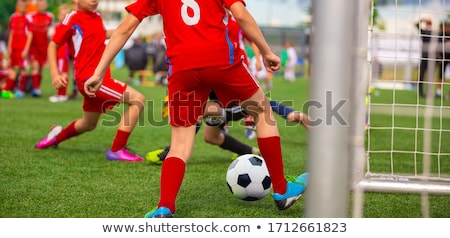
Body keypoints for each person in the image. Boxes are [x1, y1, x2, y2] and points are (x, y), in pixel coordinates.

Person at [84, 0, 309, 218]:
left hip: (182, 69)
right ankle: (281, 190)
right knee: (262, 112)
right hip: (222, 61)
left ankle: (165, 207)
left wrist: (99, 72)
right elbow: (240, 15)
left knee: (180, 144)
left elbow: (125, 29)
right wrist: (266, 51)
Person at [35, 0, 146, 163]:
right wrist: (55, 74)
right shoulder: (72, 18)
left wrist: (128, 28)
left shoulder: (96, 16)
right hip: (91, 80)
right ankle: (117, 149)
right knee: (138, 100)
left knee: (88, 124)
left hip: (96, 79)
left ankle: (55, 138)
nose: (94, 1)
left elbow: (102, 34)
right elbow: (53, 45)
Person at [146, 91, 310, 165]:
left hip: (231, 104)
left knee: (196, 109)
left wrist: (289, 113)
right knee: (211, 137)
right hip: (219, 106)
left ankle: (169, 152)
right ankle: (251, 152)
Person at [15, 0, 54, 98]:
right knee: (34, 67)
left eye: (43, 4)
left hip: (44, 46)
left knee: (40, 68)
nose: (41, 6)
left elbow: (50, 32)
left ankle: (36, 88)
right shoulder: (30, 16)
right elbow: (27, 31)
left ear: (46, 5)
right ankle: (33, 90)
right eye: (39, 4)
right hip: (33, 47)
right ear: (36, 5)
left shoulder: (50, 17)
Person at [1, 0, 32, 99]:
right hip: (14, 48)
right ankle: (6, 91)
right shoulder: (13, 17)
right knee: (12, 68)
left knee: (23, 69)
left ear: (26, 6)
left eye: (24, 5)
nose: (22, 7)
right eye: (20, 5)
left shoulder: (28, 18)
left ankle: (21, 90)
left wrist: (26, 49)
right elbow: (12, 32)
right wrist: (9, 47)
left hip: (22, 48)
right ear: (17, 5)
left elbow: (30, 34)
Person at [48, 3, 71, 102]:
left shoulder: (68, 27)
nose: (63, 17)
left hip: (63, 54)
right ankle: (59, 93)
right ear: (58, 15)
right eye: (62, 15)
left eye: (66, 15)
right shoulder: (58, 27)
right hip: (58, 54)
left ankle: (63, 94)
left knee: (63, 73)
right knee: (59, 73)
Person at [415, 18, 435, 98]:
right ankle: (420, 93)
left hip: (432, 57)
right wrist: (422, 20)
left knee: (429, 76)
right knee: (421, 76)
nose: (428, 24)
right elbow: (416, 25)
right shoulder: (424, 32)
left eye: (429, 23)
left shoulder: (434, 33)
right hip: (424, 57)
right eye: (427, 23)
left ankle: (428, 93)